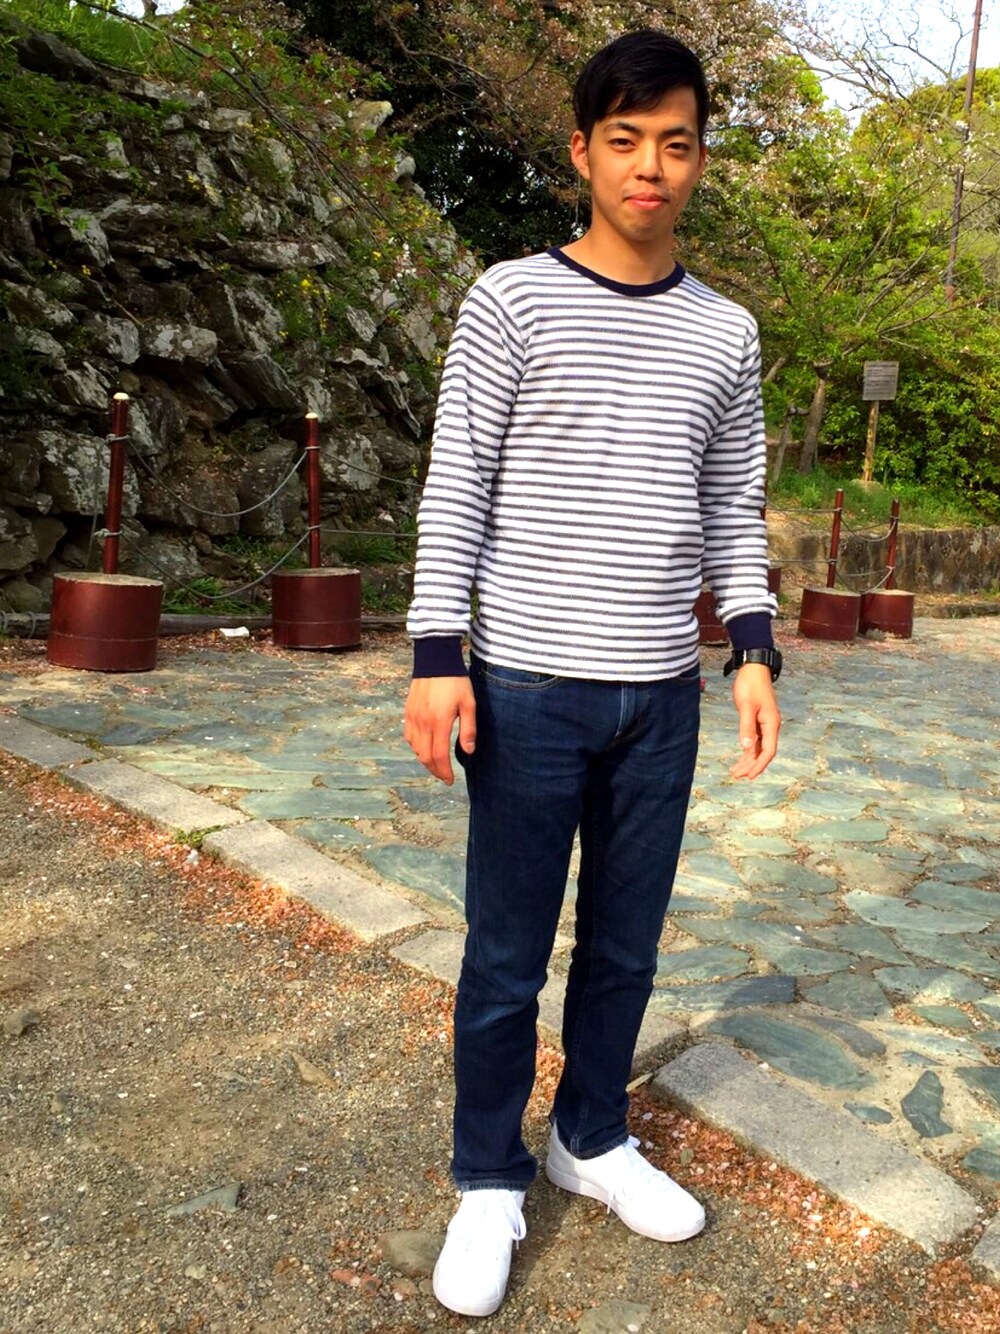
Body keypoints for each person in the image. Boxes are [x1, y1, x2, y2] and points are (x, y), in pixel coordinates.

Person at [403, 28, 782, 1319]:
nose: (650, 166)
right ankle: (487, 1176)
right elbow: (457, 484)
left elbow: (732, 507)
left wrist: (752, 650)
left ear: (701, 157)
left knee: (624, 944)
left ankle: (592, 1135)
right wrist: (436, 656)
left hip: (658, 696)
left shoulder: (726, 333)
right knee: (506, 952)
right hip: (526, 686)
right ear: (581, 151)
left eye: (675, 142)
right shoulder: (511, 302)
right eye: (625, 140)